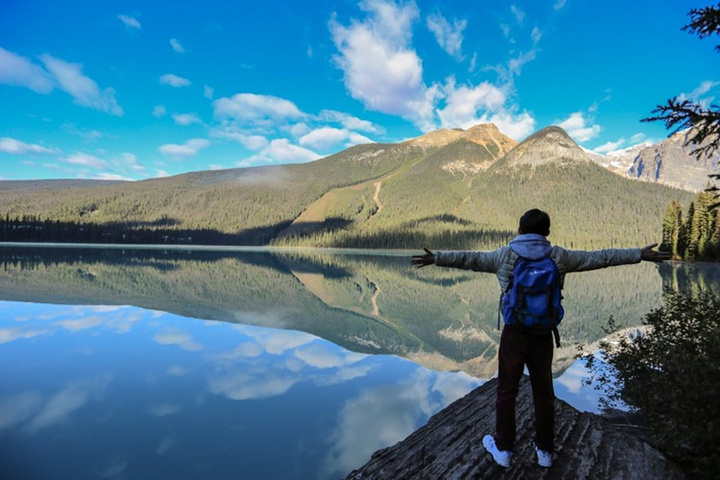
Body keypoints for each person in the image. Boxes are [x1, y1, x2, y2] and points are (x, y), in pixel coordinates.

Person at [410, 208, 670, 469]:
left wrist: (437, 258)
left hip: (514, 335)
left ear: (519, 230)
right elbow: (600, 257)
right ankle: (544, 451)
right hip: (543, 334)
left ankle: (503, 449)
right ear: (547, 233)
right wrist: (639, 254)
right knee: (544, 394)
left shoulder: (505, 255)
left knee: (506, 391)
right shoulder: (559, 257)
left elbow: (471, 259)